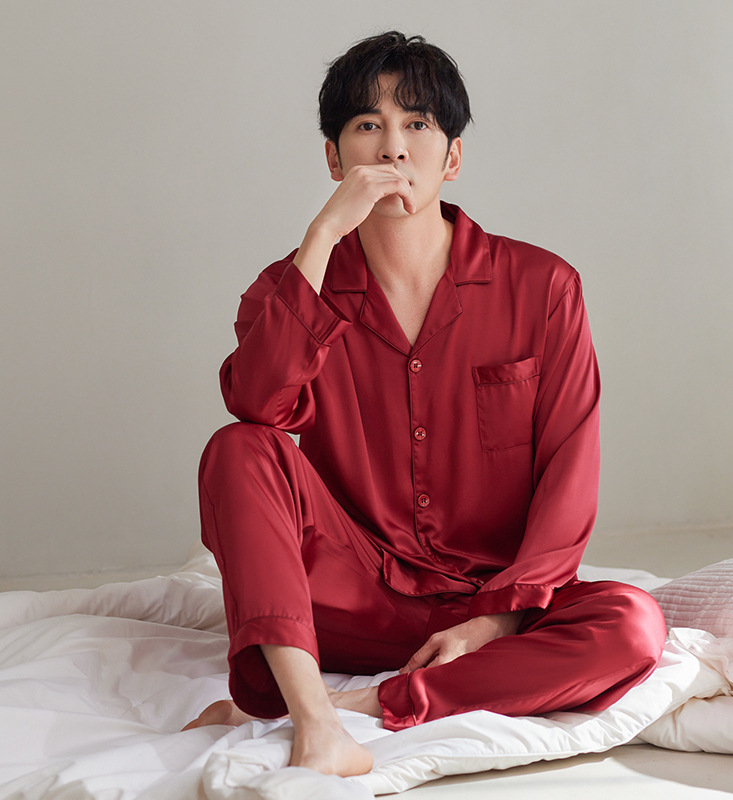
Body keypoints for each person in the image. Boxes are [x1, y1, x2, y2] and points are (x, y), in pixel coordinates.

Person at [184, 31, 667, 777]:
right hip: (347, 599)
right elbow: (257, 406)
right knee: (237, 446)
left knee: (632, 624)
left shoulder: (543, 287)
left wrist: (495, 620)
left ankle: (359, 706)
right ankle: (313, 720)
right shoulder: (292, 287)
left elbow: (570, 471)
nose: (393, 147)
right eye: (367, 125)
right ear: (334, 159)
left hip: (491, 602)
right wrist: (323, 233)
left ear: (453, 157)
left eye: (416, 123)